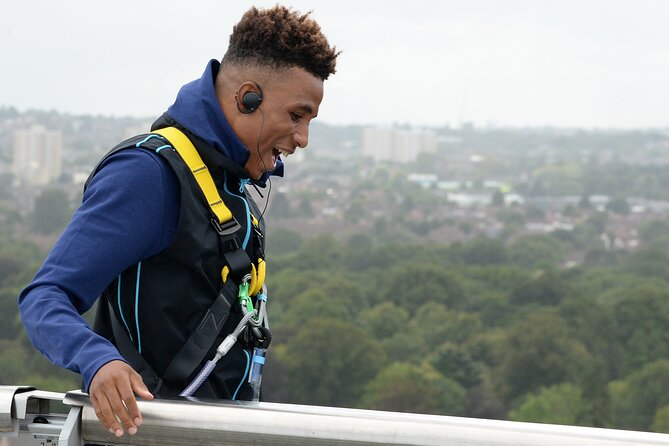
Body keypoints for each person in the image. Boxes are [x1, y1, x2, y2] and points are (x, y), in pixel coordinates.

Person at [18, 5, 338, 438]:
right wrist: (97, 360)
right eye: (297, 116)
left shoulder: (227, 176)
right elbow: (45, 297)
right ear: (249, 97)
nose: (303, 139)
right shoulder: (148, 175)